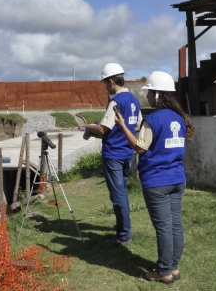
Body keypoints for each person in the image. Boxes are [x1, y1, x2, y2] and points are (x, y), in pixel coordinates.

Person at [114, 71, 196, 284]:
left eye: (149, 92)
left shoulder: (153, 120)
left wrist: (123, 125)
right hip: (177, 179)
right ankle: (174, 267)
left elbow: (140, 149)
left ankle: (163, 271)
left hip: (157, 182)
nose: (148, 96)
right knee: (175, 224)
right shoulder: (179, 118)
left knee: (163, 227)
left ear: (158, 95)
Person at [84, 62, 142, 245]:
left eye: (105, 83)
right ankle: (122, 228)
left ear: (111, 81)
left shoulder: (116, 101)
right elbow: (138, 125)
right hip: (127, 154)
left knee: (118, 195)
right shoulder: (134, 100)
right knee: (121, 192)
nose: (105, 87)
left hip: (113, 155)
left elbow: (103, 129)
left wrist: (87, 127)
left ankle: (124, 235)